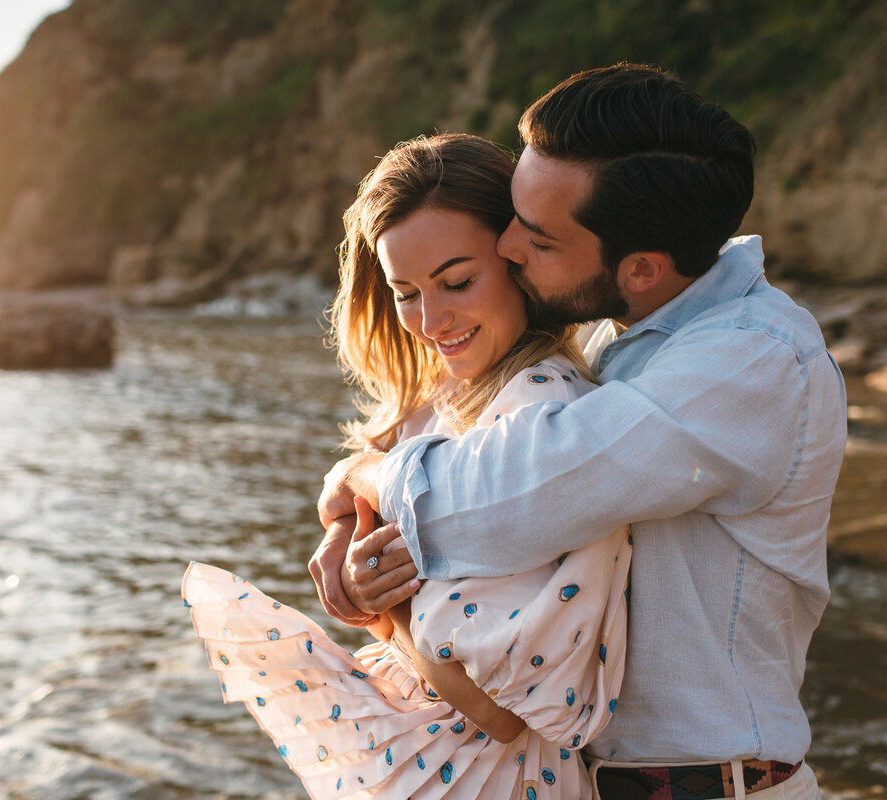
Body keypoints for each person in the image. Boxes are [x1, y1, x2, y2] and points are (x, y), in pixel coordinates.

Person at [311, 64, 847, 800]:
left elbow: (513, 493)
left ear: (641, 269)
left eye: (536, 238)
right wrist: (347, 530)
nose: (509, 250)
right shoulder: (607, 339)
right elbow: (463, 457)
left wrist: (362, 481)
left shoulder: (749, 361)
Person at [183, 133, 631, 799]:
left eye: (456, 281)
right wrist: (346, 542)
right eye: (406, 292)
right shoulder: (441, 399)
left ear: (519, 259)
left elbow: (500, 712)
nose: (431, 319)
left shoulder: (543, 418)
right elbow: (369, 489)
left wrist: (389, 612)